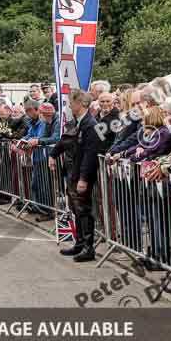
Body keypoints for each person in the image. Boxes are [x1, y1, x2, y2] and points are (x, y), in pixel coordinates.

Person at [50, 90, 102, 262]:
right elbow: (64, 140)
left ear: (80, 104)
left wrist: (84, 179)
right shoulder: (76, 123)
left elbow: (90, 154)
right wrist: (53, 154)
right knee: (76, 209)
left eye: (71, 102)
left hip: (81, 174)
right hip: (72, 172)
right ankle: (79, 243)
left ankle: (88, 248)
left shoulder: (90, 125)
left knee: (84, 210)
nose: (69, 105)